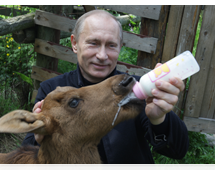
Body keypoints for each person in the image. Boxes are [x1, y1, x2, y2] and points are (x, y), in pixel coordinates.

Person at [22, 9, 189, 170]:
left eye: (111, 45)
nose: (102, 55)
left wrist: (159, 119)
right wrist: (40, 137)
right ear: (74, 43)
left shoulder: (136, 89)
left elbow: (177, 151)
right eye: (93, 43)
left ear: (120, 47)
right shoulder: (52, 90)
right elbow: (29, 153)